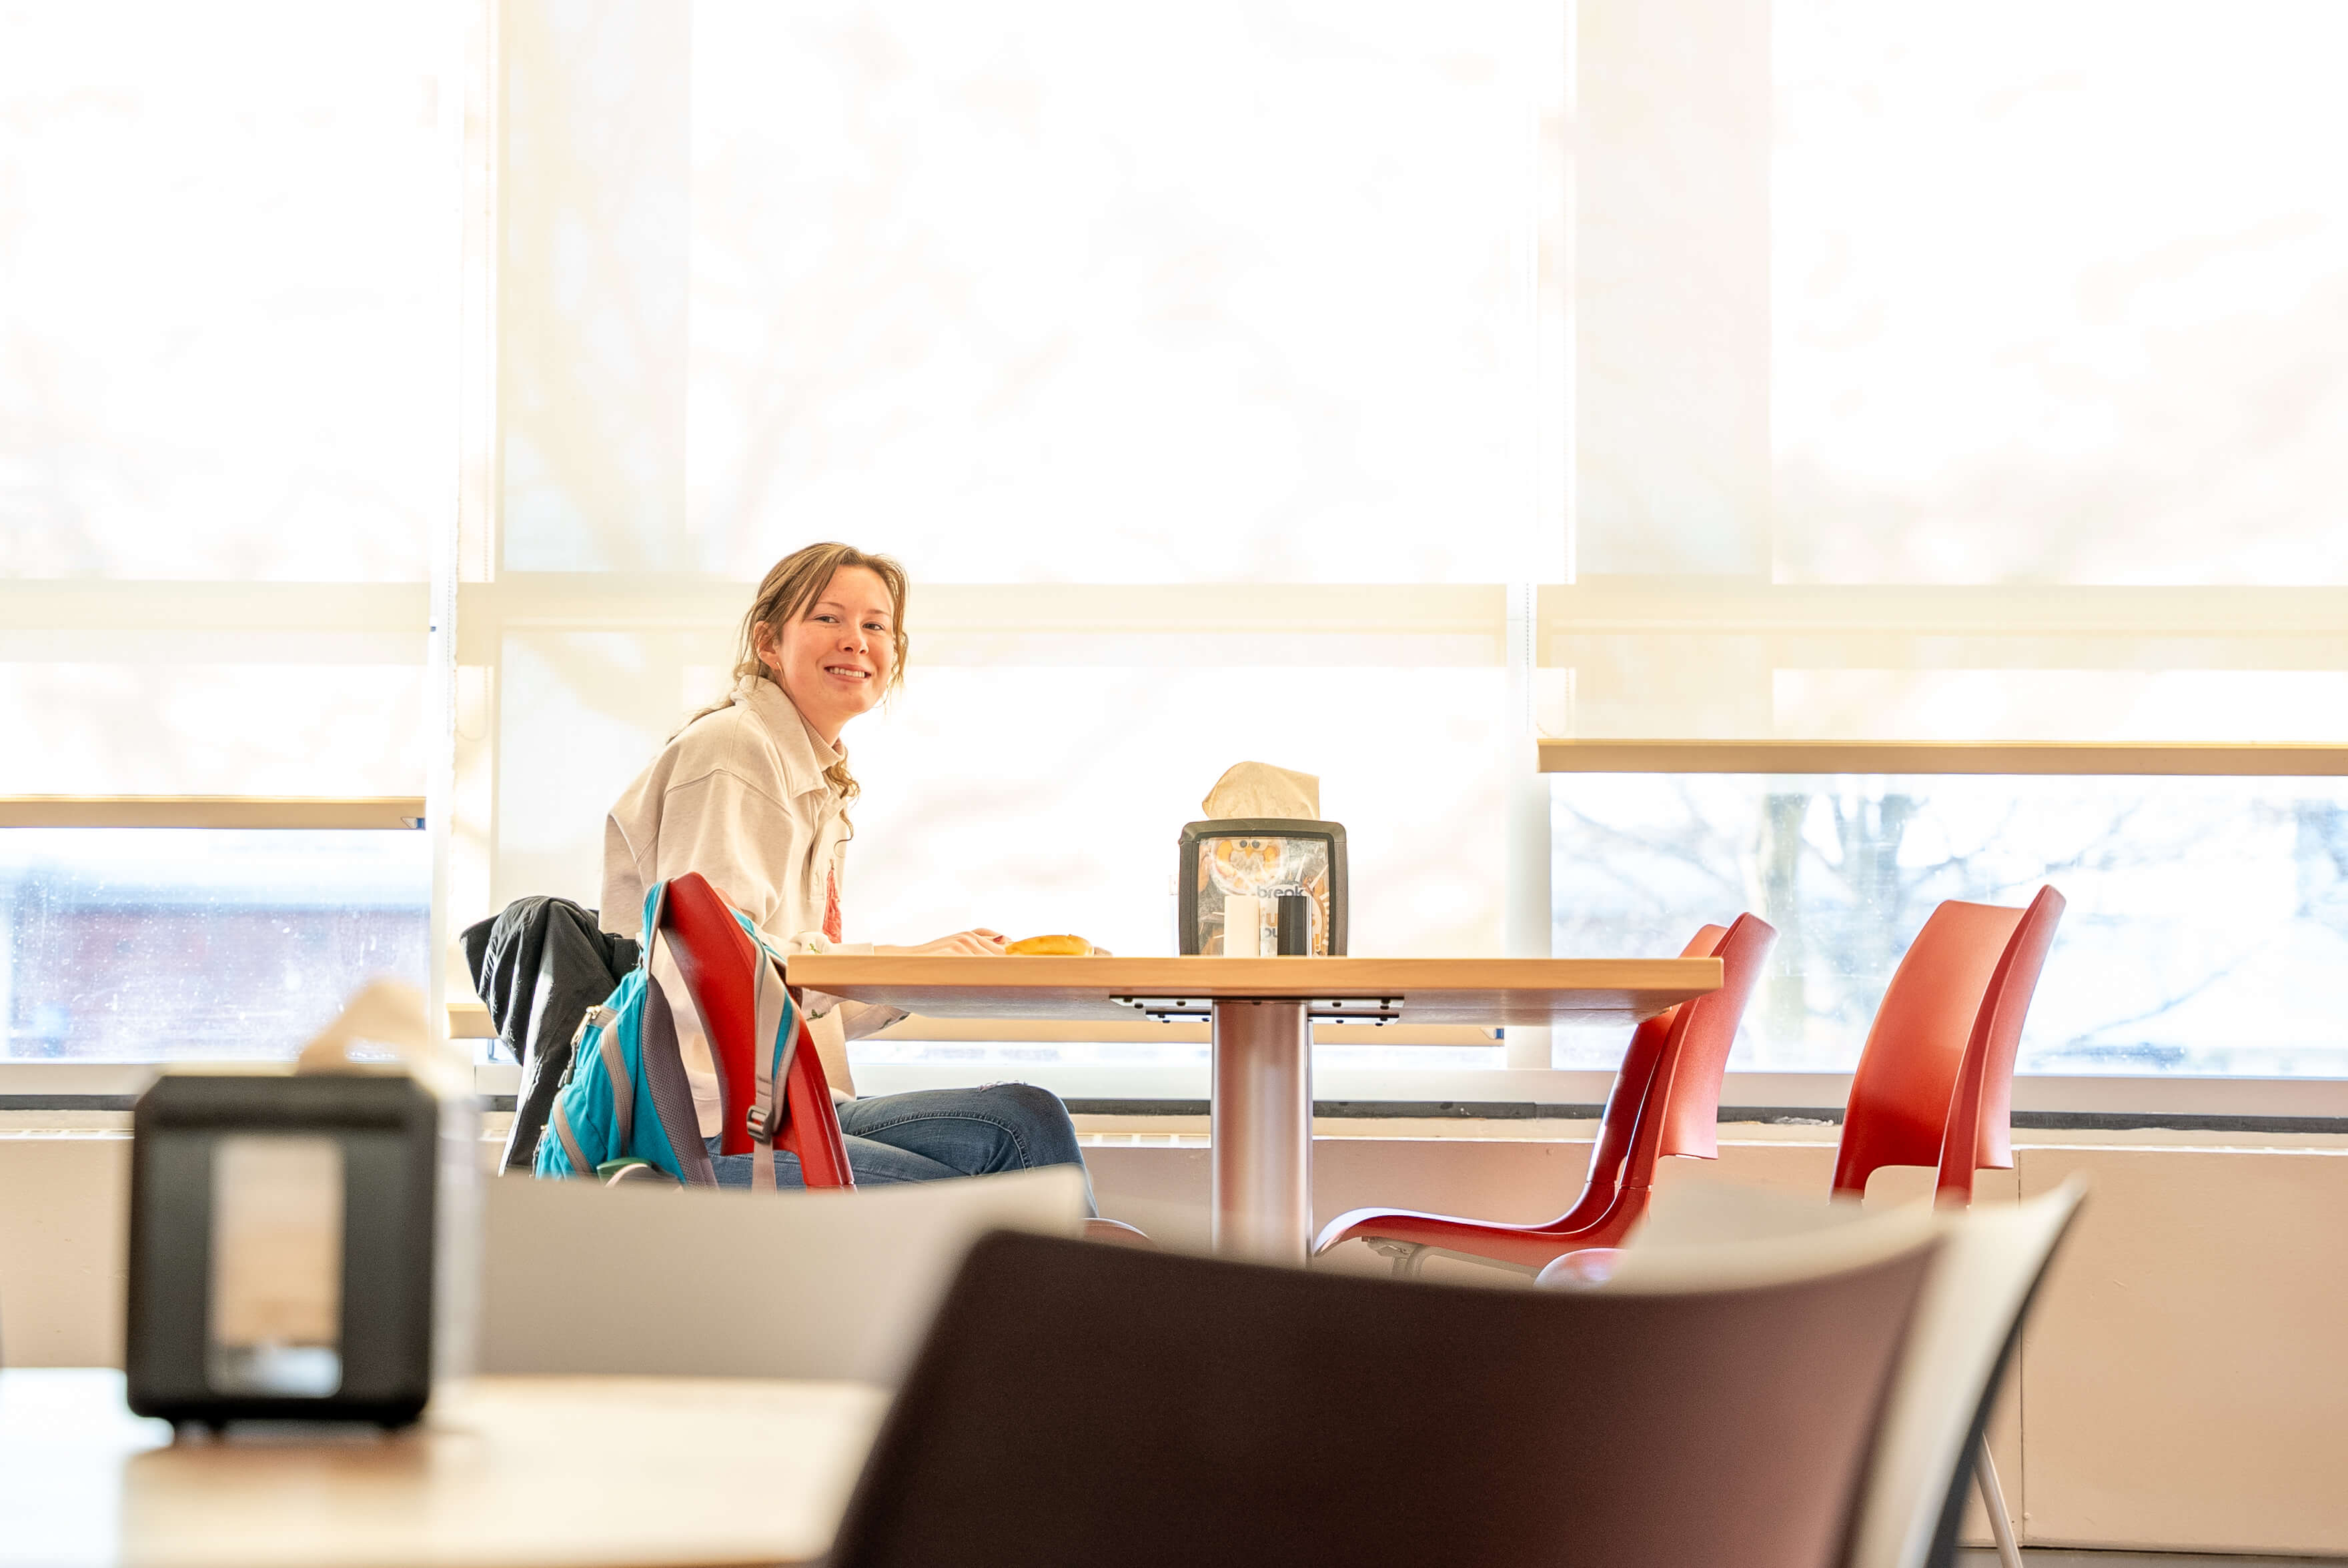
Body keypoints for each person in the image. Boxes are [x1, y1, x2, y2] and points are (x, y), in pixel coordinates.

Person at [601, 542, 1094, 1202]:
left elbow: (802, 1001)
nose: (856, 640)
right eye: (828, 618)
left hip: (794, 1106)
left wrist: (926, 974)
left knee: (1027, 1119)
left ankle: (1076, 1271)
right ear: (768, 643)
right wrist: (897, 962)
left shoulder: (813, 772)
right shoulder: (735, 750)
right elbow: (709, 974)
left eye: (875, 625)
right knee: (1003, 1201)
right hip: (716, 1129)